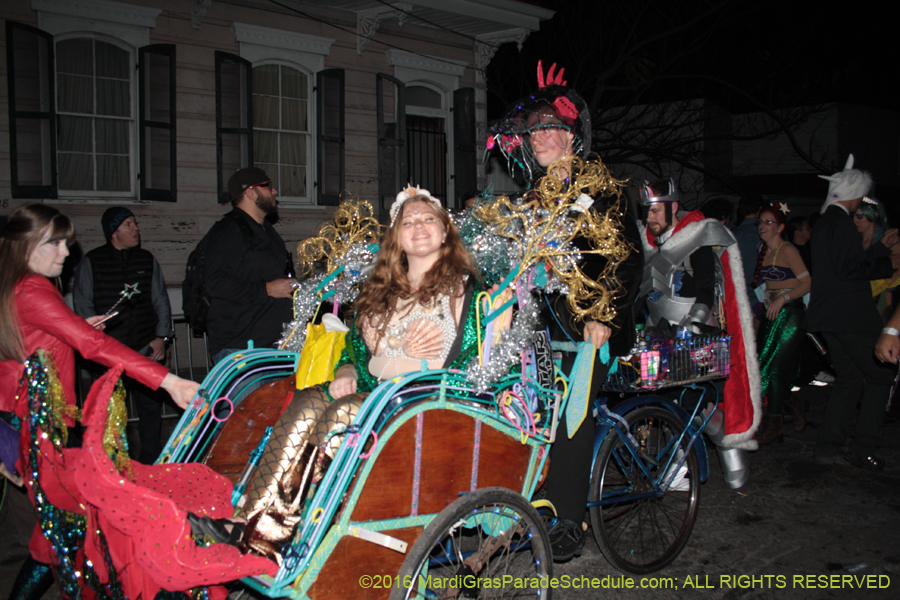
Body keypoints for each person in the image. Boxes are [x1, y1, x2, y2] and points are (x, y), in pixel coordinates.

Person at [213, 187, 486, 559]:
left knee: (342, 414)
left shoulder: (464, 288)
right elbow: (356, 352)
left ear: (444, 231)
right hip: (375, 396)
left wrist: (388, 360)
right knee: (310, 399)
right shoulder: (383, 290)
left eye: (428, 218)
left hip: (422, 402)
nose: (418, 226)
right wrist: (346, 367)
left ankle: (294, 527)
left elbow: (455, 362)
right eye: (408, 221)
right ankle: (248, 519)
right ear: (397, 237)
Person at [0, 204, 200, 600]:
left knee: (61, 531)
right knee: (64, 531)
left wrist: (69, 328)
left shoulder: (20, 284)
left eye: (65, 242)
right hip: (40, 430)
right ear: (24, 248)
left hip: (34, 424)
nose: (65, 252)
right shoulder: (33, 288)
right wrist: (169, 381)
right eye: (53, 243)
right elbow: (93, 347)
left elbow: (36, 341)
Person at [488, 61, 643, 562]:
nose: (538, 138)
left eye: (548, 128)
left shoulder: (605, 191)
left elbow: (627, 261)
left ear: (572, 136)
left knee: (569, 418)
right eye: (532, 131)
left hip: (591, 326)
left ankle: (570, 520)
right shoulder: (531, 200)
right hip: (538, 325)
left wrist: (605, 315)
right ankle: (526, 500)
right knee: (522, 408)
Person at [638, 179, 761, 486]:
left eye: (655, 211)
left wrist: (693, 325)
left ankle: (723, 449)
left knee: (692, 403)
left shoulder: (699, 236)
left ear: (673, 207)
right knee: (667, 400)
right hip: (661, 336)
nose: (650, 218)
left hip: (698, 335)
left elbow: (707, 291)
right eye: (646, 212)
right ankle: (680, 464)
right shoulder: (650, 246)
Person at [804, 155, 900, 471]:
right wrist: (888, 262)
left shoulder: (825, 222)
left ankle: (828, 447)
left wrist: (880, 250)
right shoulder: (842, 222)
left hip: (829, 317)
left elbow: (841, 266)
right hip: (850, 316)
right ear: (855, 194)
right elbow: (850, 269)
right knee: (881, 374)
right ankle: (862, 449)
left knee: (848, 378)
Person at [73, 207, 175, 463]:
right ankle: (113, 464)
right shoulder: (92, 262)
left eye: (135, 223)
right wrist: (97, 342)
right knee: (108, 413)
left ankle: (151, 461)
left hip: (144, 349)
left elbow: (160, 301)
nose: (135, 229)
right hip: (108, 353)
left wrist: (161, 338)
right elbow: (84, 303)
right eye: (128, 224)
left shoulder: (146, 259)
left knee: (150, 410)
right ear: (113, 232)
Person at [204, 167, 294, 363]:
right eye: (268, 186)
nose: (274, 191)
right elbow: (215, 282)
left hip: (272, 345)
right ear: (250, 192)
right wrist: (267, 289)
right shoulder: (229, 231)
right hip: (240, 348)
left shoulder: (268, 232)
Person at [752, 204, 811, 445]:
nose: (762, 227)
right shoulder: (764, 251)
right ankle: (794, 403)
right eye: (760, 223)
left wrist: (784, 298)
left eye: (768, 222)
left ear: (780, 227)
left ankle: (774, 422)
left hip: (790, 313)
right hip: (772, 314)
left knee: (775, 368)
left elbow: (807, 282)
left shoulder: (788, 250)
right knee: (763, 365)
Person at [854, 197, 900, 312]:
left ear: (875, 214)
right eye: (853, 216)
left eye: (860, 217)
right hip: (858, 296)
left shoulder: (888, 237)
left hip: (884, 297)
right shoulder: (852, 240)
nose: (855, 221)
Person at [732, 194, 764, 309]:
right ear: (760, 209)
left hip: (740, 297)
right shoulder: (769, 233)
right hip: (764, 297)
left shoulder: (732, 235)